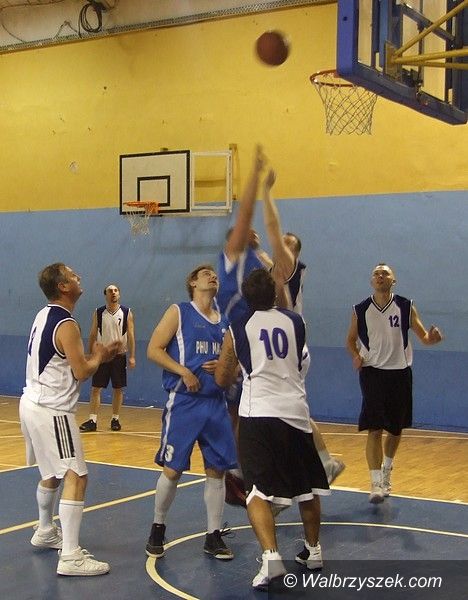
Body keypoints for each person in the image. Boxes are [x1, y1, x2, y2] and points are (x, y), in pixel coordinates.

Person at [215, 269, 330, 591]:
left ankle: (271, 560)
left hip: (259, 415)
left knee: (256, 492)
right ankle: (314, 551)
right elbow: (302, 362)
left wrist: (233, 368)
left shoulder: (238, 326)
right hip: (296, 411)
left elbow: (223, 378)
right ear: (274, 294)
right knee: (307, 488)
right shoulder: (297, 322)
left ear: (246, 298)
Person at [19, 263, 121, 576]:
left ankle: (45, 530)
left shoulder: (44, 314)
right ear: (63, 286)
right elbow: (81, 371)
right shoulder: (66, 323)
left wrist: (97, 356)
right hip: (52, 410)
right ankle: (71, 557)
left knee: (52, 472)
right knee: (76, 474)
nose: (78, 276)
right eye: (73, 275)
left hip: (31, 403)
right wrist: (100, 356)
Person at [145, 264, 237, 561]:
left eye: (214, 274)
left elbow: (236, 365)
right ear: (193, 282)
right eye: (205, 273)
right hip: (185, 402)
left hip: (216, 402)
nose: (212, 276)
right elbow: (154, 349)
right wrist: (183, 371)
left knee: (217, 470)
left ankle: (213, 535)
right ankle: (158, 527)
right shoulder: (179, 311)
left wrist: (224, 366)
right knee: (172, 470)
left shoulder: (225, 320)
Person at [262, 169, 345, 485]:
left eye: (286, 244)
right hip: (285, 345)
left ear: (293, 253)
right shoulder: (278, 269)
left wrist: (266, 192)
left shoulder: (290, 266)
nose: (280, 245)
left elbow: (272, 229)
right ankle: (323, 463)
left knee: (280, 412)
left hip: (290, 347)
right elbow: (265, 257)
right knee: (289, 410)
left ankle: (288, 476)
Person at [346, 263, 443, 503]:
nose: (380, 276)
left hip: (399, 373)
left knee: (395, 429)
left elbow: (424, 337)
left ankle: (387, 469)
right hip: (372, 373)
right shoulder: (360, 309)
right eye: (376, 273)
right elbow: (350, 339)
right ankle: (375, 483)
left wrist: (432, 338)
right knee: (374, 428)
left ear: (393, 280)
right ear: (371, 281)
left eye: (385, 273)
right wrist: (355, 355)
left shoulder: (406, 306)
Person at [216, 145, 272, 506]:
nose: (250, 231)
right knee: (236, 413)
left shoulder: (258, 259)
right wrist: (254, 175)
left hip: (261, 340)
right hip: (239, 340)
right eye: (243, 230)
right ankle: (234, 474)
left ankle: (246, 472)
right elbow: (246, 212)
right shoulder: (232, 257)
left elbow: (282, 276)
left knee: (259, 412)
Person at [79, 284, 135, 432]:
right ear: (106, 295)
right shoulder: (99, 312)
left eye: (116, 290)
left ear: (119, 294)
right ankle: (92, 419)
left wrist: (132, 356)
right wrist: (91, 354)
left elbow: (131, 335)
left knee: (118, 388)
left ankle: (115, 419)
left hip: (119, 356)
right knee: (95, 388)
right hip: (102, 356)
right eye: (110, 291)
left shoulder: (126, 312)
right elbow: (92, 334)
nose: (113, 293)